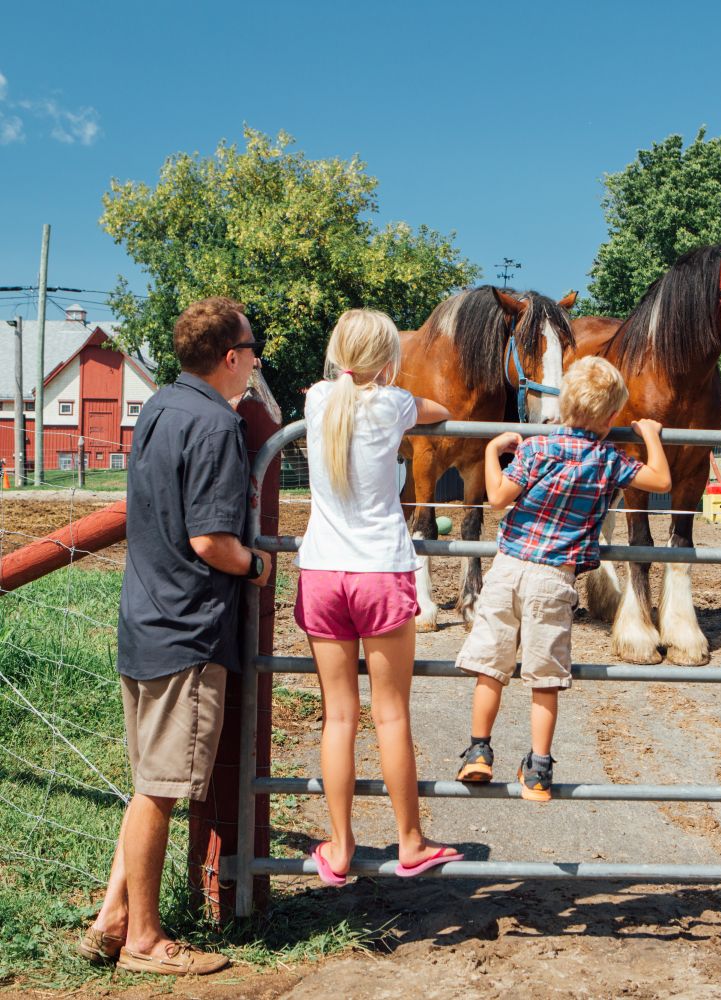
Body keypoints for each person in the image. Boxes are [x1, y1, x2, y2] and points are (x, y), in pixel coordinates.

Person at [81, 297, 273, 976]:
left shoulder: (160, 406)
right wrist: (257, 564)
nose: (255, 361)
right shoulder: (217, 424)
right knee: (159, 791)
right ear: (232, 357)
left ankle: (112, 919)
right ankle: (145, 941)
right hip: (188, 629)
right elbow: (212, 541)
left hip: (145, 618)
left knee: (149, 783)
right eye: (253, 350)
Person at [295, 308, 463, 883]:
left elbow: (329, 388)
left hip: (322, 573)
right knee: (391, 716)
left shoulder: (318, 401)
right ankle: (410, 841)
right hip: (379, 573)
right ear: (390, 358)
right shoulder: (395, 405)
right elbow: (442, 411)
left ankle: (340, 846)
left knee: (338, 717)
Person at [454, 356, 671, 801]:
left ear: (564, 405)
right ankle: (538, 770)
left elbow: (497, 497)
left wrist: (492, 452)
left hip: (507, 570)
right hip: (554, 579)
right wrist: (650, 435)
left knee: (490, 668)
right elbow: (661, 480)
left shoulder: (536, 449)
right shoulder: (608, 459)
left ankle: (478, 752)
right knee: (545, 678)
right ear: (612, 417)